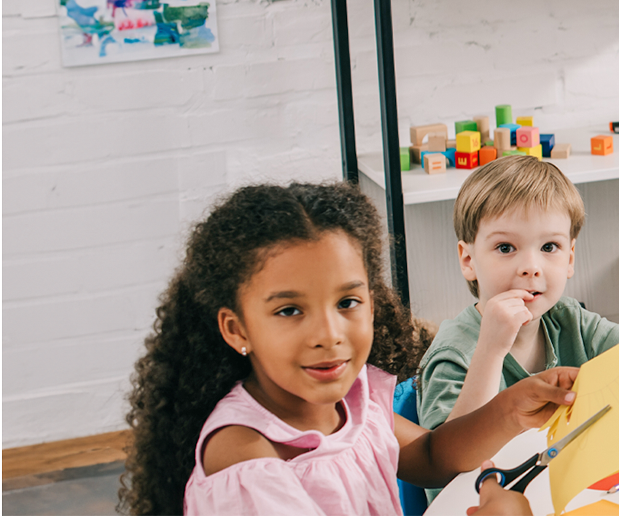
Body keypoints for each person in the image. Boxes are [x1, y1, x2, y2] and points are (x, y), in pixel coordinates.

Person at [119, 182, 575, 516]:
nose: (329, 333)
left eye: (347, 302)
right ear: (237, 329)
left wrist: (512, 407)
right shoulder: (247, 459)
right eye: (289, 311)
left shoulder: (351, 397)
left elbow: (432, 457)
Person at [418, 155, 619, 430]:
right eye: (506, 247)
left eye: (549, 247)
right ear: (468, 260)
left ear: (569, 258)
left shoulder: (569, 318)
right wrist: (490, 351)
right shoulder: (453, 353)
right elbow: (447, 458)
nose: (531, 268)